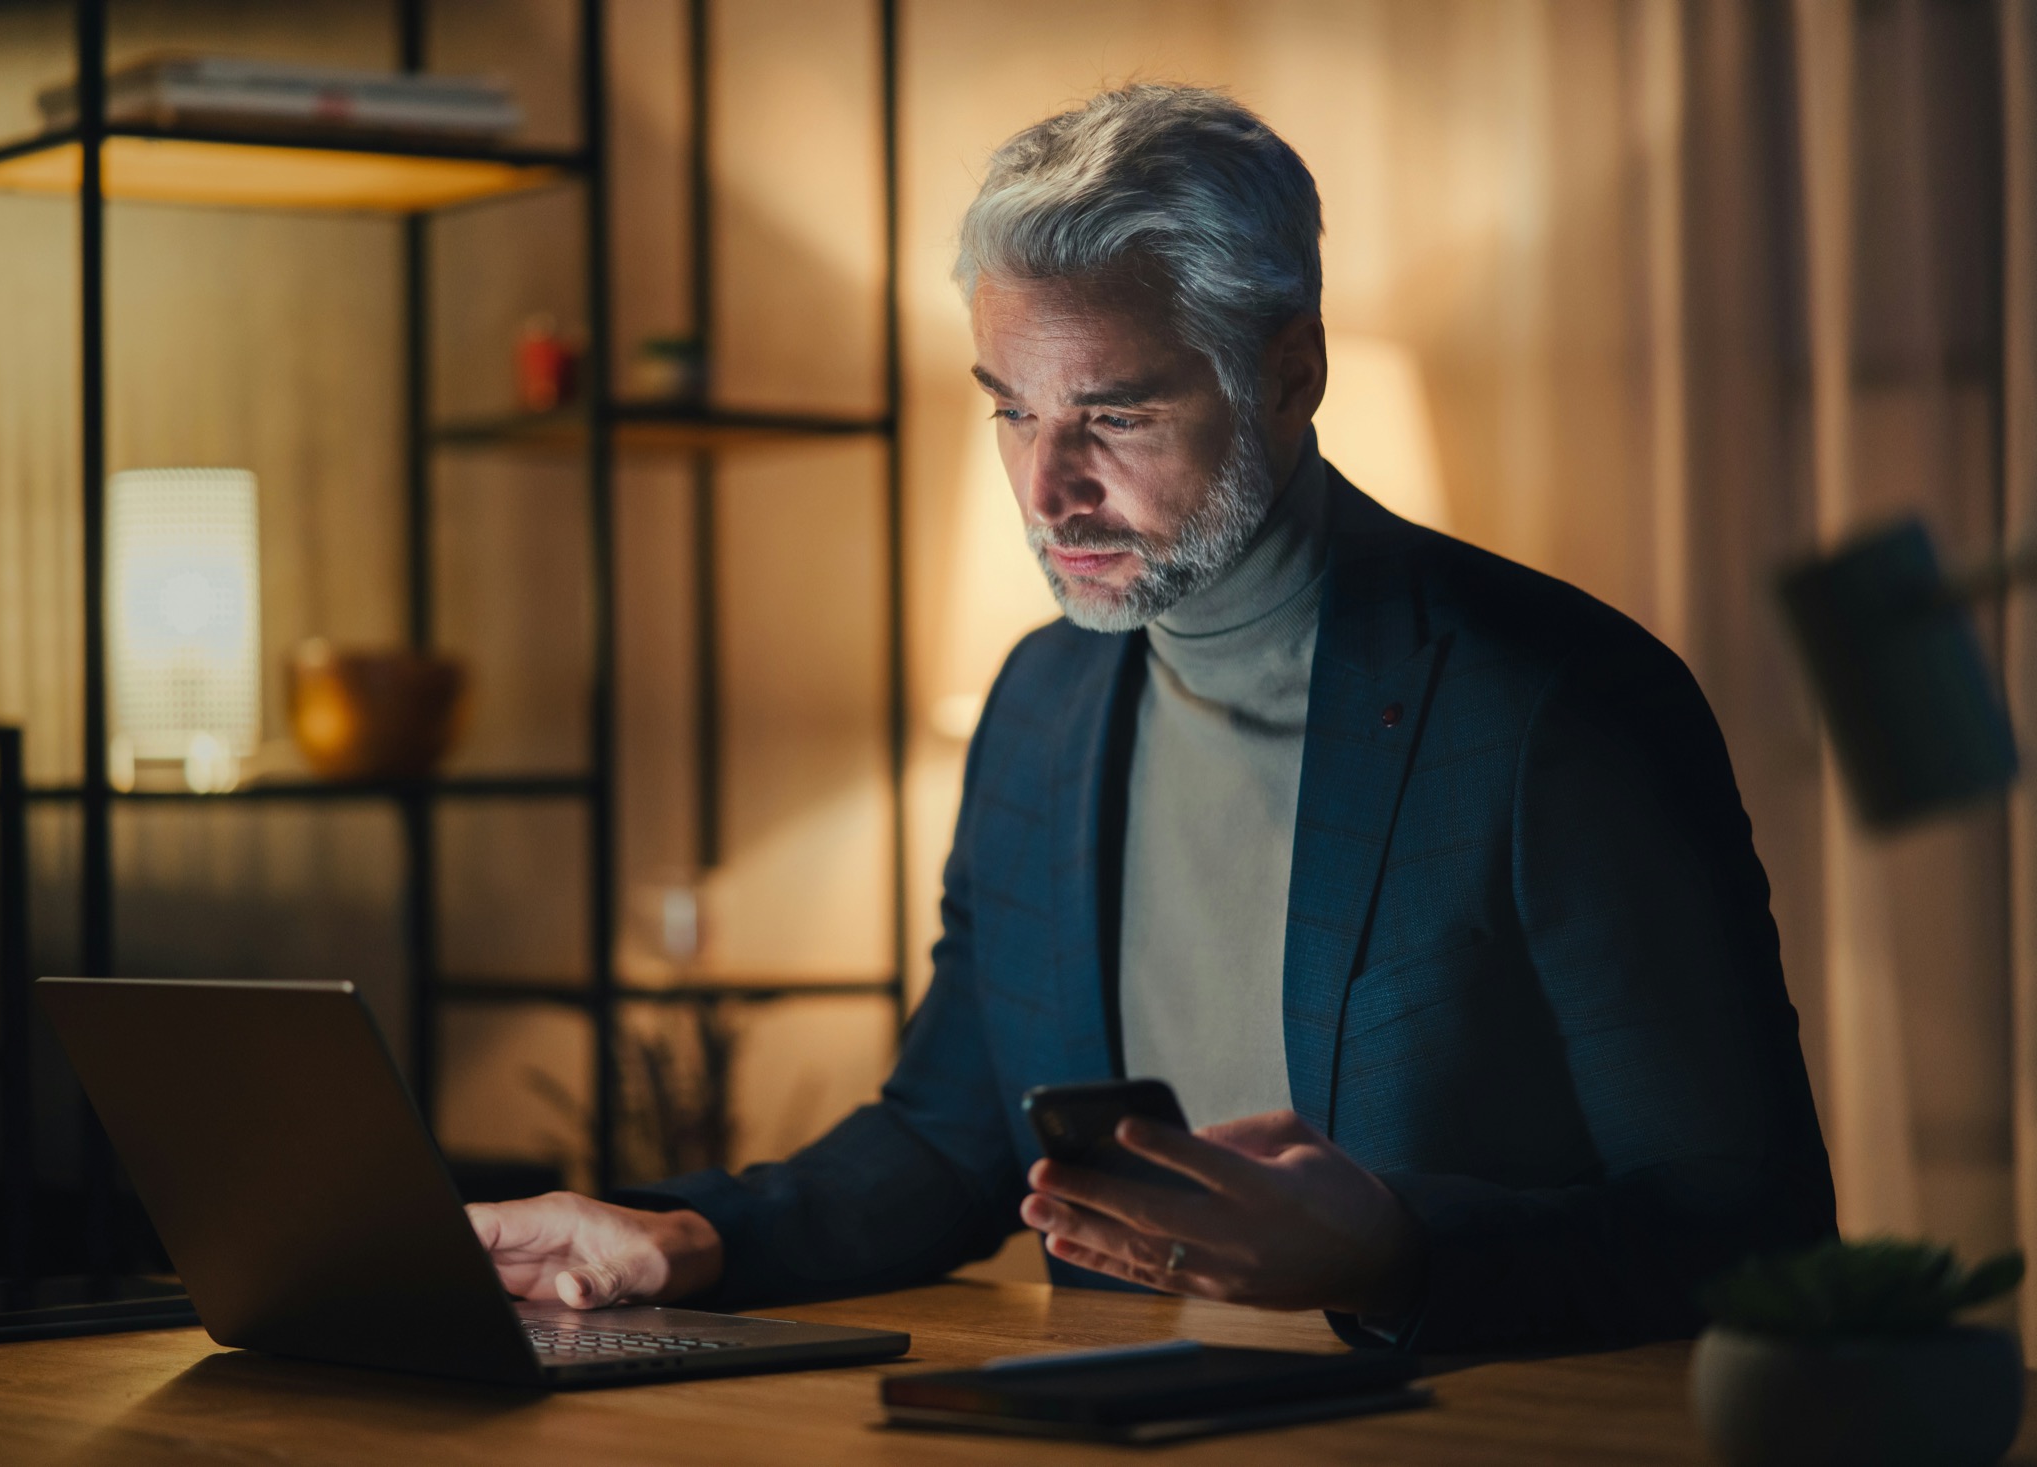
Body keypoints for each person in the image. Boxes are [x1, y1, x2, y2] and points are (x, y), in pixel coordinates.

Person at [468, 83, 1836, 1353]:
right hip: (1120, 1431)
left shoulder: (1561, 706)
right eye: (1013, 412)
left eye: (1113, 416)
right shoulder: (1041, 702)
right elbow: (955, 1140)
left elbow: (1749, 1240)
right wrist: (683, 1239)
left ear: (1289, 375)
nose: (1049, 489)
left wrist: (1391, 1250)